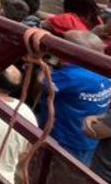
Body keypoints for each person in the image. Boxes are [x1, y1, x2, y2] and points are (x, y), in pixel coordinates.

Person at [38, 31, 111, 164]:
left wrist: (45, 66)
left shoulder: (70, 76)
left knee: (52, 172)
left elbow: (42, 82)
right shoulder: (105, 70)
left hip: (63, 138)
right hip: (89, 137)